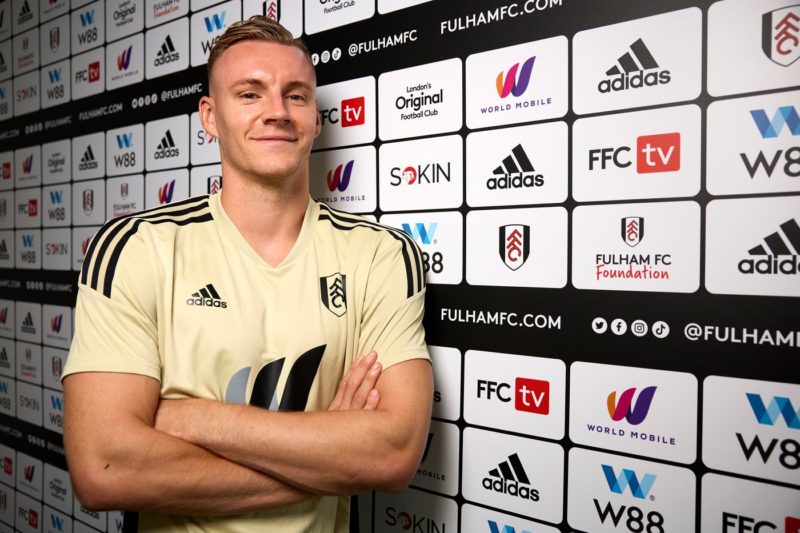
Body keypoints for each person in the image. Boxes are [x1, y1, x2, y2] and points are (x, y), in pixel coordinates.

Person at [62, 15, 433, 532]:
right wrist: (332, 449)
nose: (277, 112)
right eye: (250, 94)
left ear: (317, 120)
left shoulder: (381, 254)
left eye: (296, 95)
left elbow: (392, 454)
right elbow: (103, 469)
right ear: (210, 117)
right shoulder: (138, 248)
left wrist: (188, 418)